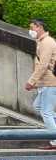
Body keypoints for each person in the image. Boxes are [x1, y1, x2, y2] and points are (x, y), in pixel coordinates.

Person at [24, 18, 56, 146]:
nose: (30, 31)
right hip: (46, 82)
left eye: (32, 28)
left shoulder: (46, 42)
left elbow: (43, 65)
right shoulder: (42, 41)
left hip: (50, 82)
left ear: (39, 27)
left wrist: (31, 81)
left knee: (46, 112)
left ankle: (54, 141)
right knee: (38, 107)